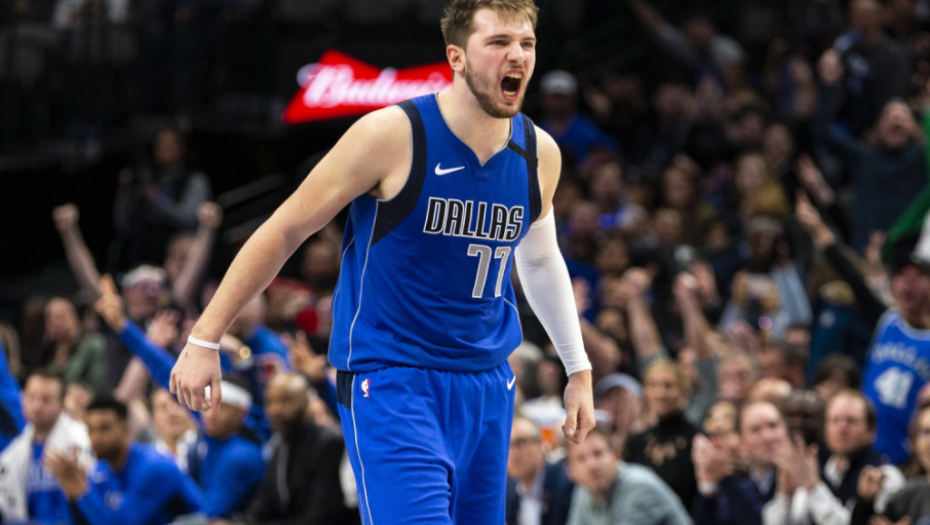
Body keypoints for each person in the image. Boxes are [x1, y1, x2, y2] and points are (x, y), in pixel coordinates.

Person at [170, 1, 595, 524]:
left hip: (487, 383)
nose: (518, 56)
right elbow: (285, 229)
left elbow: (540, 260)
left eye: (526, 44)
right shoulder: (392, 135)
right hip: (394, 379)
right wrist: (205, 337)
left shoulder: (539, 153)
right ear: (457, 57)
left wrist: (578, 369)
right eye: (499, 42)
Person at [45, 396, 205, 525]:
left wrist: (81, 491)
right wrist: (71, 494)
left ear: (125, 430)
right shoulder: (100, 470)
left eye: (104, 428)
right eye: (90, 430)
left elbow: (123, 523)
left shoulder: (155, 466)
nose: (95, 438)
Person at [764, 390, 905, 525]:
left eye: (850, 421)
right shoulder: (816, 469)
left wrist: (813, 488)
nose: (842, 428)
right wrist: (785, 496)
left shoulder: (885, 475)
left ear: (871, 430)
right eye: (834, 421)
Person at [236, 373, 358, 525]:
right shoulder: (279, 445)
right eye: (270, 402)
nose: (275, 410)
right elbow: (265, 500)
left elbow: (320, 518)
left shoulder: (329, 445)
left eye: (286, 400)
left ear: (306, 403)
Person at [0, 370, 92, 524]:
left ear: (62, 404)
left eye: (46, 400)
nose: (37, 406)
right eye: (31, 397)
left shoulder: (83, 441)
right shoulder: (12, 454)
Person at [565, 426, 692, 525]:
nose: (592, 465)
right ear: (570, 470)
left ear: (616, 455)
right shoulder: (584, 490)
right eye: (581, 459)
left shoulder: (640, 487)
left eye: (598, 454)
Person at [505, 416, 574, 525]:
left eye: (520, 443)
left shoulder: (564, 483)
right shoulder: (507, 490)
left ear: (540, 444)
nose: (514, 453)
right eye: (507, 446)